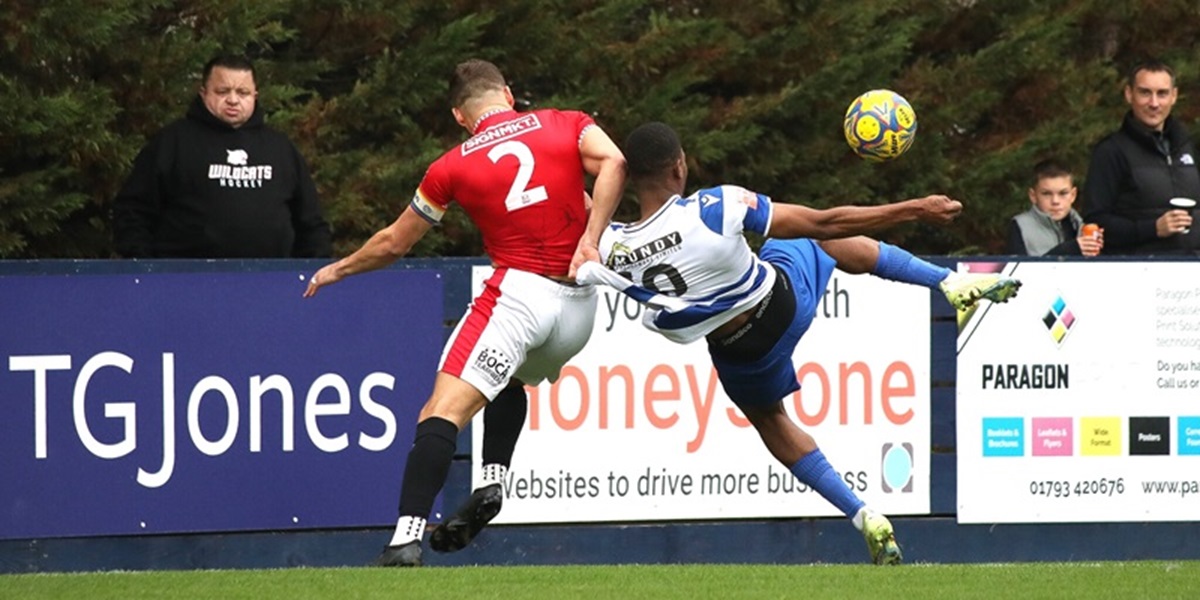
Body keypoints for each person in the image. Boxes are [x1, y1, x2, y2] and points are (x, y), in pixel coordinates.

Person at [576, 122, 1021, 565]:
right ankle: (947, 282)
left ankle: (860, 513)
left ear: (629, 178)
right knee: (813, 234)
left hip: (740, 351)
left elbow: (571, 212)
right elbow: (826, 221)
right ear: (680, 166)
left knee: (771, 422)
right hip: (782, 305)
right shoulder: (715, 206)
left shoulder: (609, 246)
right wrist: (914, 209)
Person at [302, 59, 627, 567]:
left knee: (440, 412)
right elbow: (616, 162)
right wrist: (590, 239)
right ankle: (493, 479)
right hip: (579, 311)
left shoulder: (451, 166)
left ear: (459, 115)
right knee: (512, 380)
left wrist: (340, 270)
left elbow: (394, 243)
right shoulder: (565, 122)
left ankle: (404, 540)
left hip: (519, 296)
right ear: (510, 93)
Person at [113, 54, 331, 258]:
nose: (233, 100)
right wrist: (146, 268)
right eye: (223, 91)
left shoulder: (281, 148)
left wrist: (312, 275)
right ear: (203, 92)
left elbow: (311, 223)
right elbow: (133, 212)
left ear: (255, 95)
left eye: (242, 93)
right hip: (185, 284)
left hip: (270, 285)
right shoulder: (172, 142)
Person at [1081, 59, 1200, 255]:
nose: (1154, 103)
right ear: (1129, 94)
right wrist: (1152, 228)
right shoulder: (1111, 151)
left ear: (1174, 96)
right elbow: (1096, 221)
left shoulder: (1188, 147)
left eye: (1162, 93)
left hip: (1192, 273)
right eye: (1145, 93)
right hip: (1137, 273)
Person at [1006, 159, 1103, 256]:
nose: (1055, 201)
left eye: (1063, 193)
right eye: (1046, 194)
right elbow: (1016, 269)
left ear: (1073, 195)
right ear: (1033, 196)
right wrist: (1071, 249)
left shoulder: (1083, 227)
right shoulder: (1021, 226)